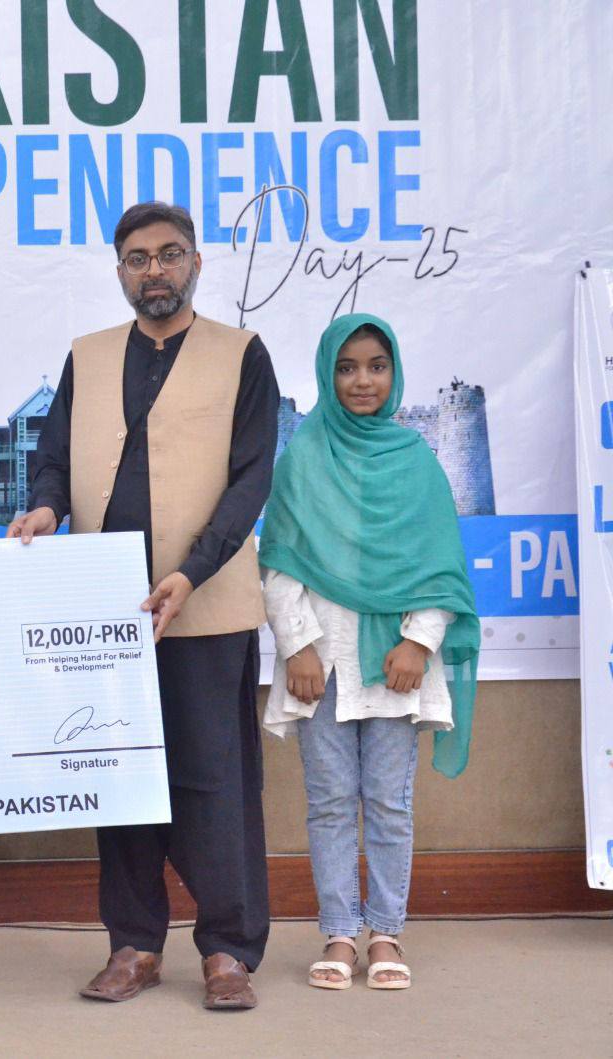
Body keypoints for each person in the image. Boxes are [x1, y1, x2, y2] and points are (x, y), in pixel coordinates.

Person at [10, 201, 279, 1010]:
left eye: (169, 254)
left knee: (214, 780)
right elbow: (53, 458)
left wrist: (191, 572)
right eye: (138, 257)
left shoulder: (242, 354)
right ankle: (133, 944)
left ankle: (228, 950)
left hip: (206, 604)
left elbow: (251, 480)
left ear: (196, 261)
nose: (154, 269)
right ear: (120, 270)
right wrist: (46, 507)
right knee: (118, 775)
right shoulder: (87, 357)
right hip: (109, 612)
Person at [259, 313, 479, 991]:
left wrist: (418, 641)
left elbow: (441, 567)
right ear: (327, 373)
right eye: (347, 367)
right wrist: (298, 646)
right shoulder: (303, 458)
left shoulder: (416, 461)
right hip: (320, 668)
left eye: (377, 366)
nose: (362, 380)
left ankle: (385, 932)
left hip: (394, 669)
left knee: (388, 802)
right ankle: (338, 932)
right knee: (329, 802)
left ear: (394, 373)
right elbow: (279, 562)